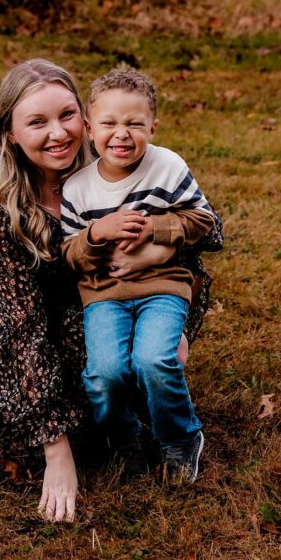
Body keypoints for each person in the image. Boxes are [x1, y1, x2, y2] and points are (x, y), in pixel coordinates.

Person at [0, 59, 222, 523]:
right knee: (97, 381)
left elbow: (207, 233)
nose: (58, 133)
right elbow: (19, 328)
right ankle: (100, 432)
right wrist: (57, 453)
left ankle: (158, 419)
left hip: (118, 297)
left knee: (143, 359)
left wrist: (168, 284)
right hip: (25, 323)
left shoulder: (115, 159)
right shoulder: (1, 205)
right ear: (11, 134)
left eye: (66, 115)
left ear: (85, 115)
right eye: (37, 122)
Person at [59, 68, 216, 484]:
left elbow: (202, 219)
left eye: (134, 124)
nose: (121, 134)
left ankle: (180, 437)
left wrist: (155, 230)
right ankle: (125, 437)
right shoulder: (77, 189)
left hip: (162, 286)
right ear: (90, 128)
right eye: (109, 123)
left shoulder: (166, 167)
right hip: (103, 294)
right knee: (105, 373)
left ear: (153, 126)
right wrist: (97, 233)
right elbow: (69, 256)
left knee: (154, 360)